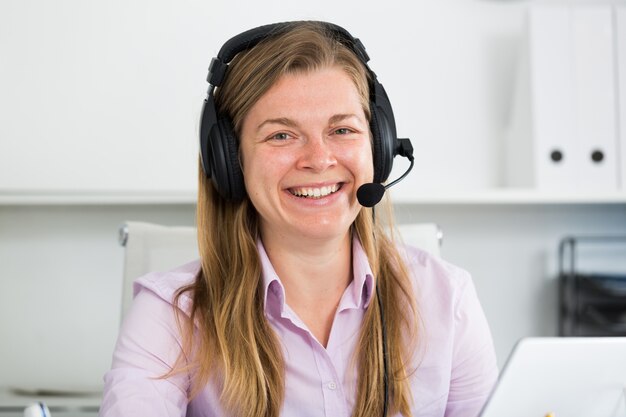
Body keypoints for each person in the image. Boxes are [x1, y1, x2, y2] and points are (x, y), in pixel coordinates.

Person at [100, 21, 498, 417]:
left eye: (342, 129)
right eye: (281, 136)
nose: (319, 160)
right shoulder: (170, 317)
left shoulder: (449, 302)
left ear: (379, 146)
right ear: (229, 161)